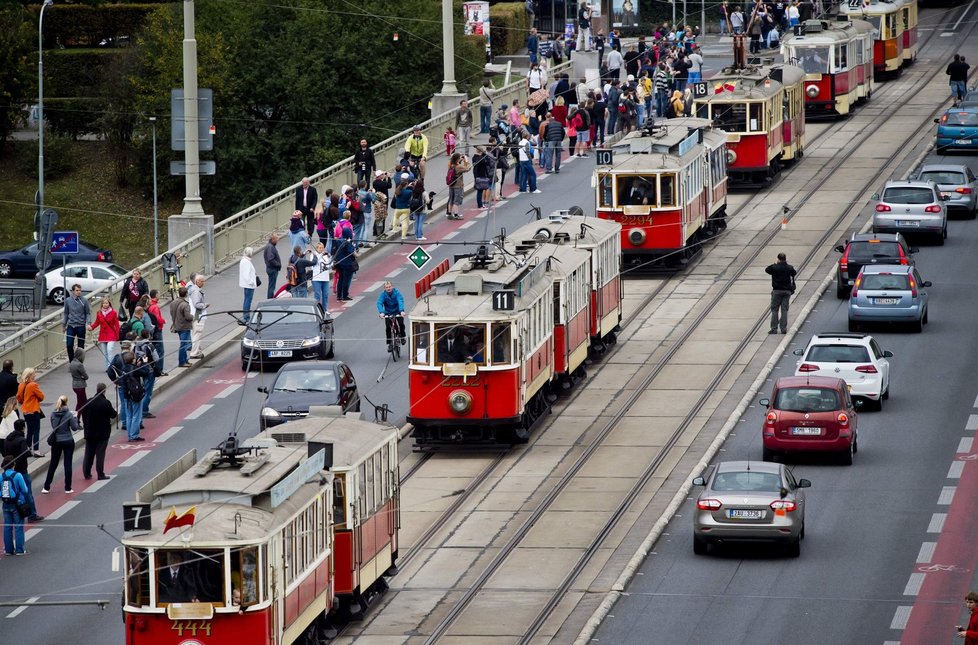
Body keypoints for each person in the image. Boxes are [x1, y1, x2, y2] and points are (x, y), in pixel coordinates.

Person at [2, 421, 42, 522]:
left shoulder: (7, 439)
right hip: (21, 470)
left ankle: (14, 513)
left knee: (12, 493)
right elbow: (25, 453)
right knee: (27, 493)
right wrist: (30, 452)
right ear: (23, 428)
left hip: (10, 470)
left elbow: (4, 452)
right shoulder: (21, 440)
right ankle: (32, 514)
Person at [41, 395, 79, 493]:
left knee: (53, 464)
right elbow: (74, 428)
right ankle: (68, 487)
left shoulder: (53, 414)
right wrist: (75, 418)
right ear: (66, 402)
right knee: (67, 464)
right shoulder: (69, 414)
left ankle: (46, 487)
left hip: (56, 441)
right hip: (67, 440)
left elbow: (54, 427)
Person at [81, 383, 115, 481]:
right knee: (100, 453)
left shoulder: (88, 402)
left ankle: (86, 473)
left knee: (89, 453)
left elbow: (84, 415)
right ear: (104, 390)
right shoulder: (105, 403)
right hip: (102, 433)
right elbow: (113, 415)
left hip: (90, 432)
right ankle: (100, 474)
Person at [2, 455, 30, 555]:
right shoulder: (17, 475)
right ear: (13, 464)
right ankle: (19, 549)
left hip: (5, 504)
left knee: (7, 527)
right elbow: (25, 490)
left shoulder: (1, 476)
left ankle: (8, 550)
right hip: (17, 504)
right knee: (18, 527)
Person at [766, 252, 796, 334]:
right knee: (784, 310)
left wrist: (775, 263)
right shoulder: (789, 267)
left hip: (777, 291)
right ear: (785, 259)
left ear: (778, 259)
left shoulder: (774, 267)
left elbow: (767, 270)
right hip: (787, 291)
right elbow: (794, 273)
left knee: (775, 310)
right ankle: (783, 328)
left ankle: (774, 328)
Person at [16, 368, 44, 457]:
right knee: (36, 430)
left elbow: (19, 398)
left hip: (25, 410)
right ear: (29, 376)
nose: (35, 376)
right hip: (34, 410)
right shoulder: (33, 385)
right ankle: (36, 450)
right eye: (33, 374)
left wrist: (24, 403)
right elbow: (41, 397)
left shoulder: (21, 385)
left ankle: (27, 449)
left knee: (30, 430)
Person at [62, 284, 90, 363]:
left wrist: (88, 323)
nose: (79, 292)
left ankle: (79, 363)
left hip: (81, 325)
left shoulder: (84, 300)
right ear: (73, 291)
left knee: (80, 347)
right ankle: (71, 362)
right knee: (69, 345)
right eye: (77, 290)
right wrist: (64, 325)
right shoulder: (68, 300)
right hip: (71, 325)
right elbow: (66, 313)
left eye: (80, 290)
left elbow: (87, 313)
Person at [169, 286, 194, 368]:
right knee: (183, 344)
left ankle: (185, 360)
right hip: (184, 326)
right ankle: (182, 362)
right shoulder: (185, 304)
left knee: (183, 343)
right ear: (186, 294)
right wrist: (193, 317)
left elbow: (172, 313)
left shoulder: (173, 302)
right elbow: (188, 317)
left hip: (177, 325)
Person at [377, 282, 407, 348]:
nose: (388, 288)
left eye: (389, 287)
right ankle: (390, 343)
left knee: (401, 324)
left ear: (392, 287)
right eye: (387, 287)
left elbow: (400, 301)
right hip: (388, 312)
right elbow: (379, 303)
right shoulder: (383, 294)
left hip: (398, 311)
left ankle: (402, 337)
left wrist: (401, 311)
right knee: (388, 328)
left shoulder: (397, 293)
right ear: (384, 288)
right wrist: (381, 312)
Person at [187, 274, 208, 360]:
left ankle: (197, 350)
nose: (204, 283)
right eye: (202, 281)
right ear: (198, 281)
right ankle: (194, 353)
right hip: (198, 315)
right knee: (197, 334)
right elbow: (197, 304)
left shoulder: (193, 290)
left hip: (195, 315)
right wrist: (205, 305)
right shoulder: (196, 292)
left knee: (195, 333)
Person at [334, 228, 357, 302]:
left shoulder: (338, 241)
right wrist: (354, 248)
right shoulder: (348, 243)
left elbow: (333, 250)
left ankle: (339, 296)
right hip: (347, 264)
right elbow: (352, 252)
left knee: (340, 279)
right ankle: (345, 295)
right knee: (346, 280)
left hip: (339, 263)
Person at [446, 153, 471, 220]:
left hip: (451, 185)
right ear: (458, 159)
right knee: (456, 201)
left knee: (451, 200)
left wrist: (461, 161)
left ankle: (449, 213)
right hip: (458, 186)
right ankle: (456, 214)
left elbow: (463, 168)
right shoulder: (458, 167)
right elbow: (467, 169)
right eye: (460, 157)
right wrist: (466, 161)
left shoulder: (451, 165)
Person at [238, 246, 258, 325]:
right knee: (248, 301)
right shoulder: (246, 262)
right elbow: (246, 275)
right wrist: (252, 282)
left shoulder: (244, 261)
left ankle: (246, 316)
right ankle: (246, 317)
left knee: (247, 300)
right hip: (249, 285)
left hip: (246, 284)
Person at [69, 348, 88, 423]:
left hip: (74, 384)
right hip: (80, 385)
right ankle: (76, 419)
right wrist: (83, 377)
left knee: (83, 402)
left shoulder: (72, 363)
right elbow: (86, 376)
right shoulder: (80, 365)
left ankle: (83, 417)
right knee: (81, 404)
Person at [263, 233, 282, 299]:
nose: (277, 240)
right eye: (276, 239)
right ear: (273, 239)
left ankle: (270, 298)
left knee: (271, 285)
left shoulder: (270, 246)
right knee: (272, 286)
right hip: (272, 269)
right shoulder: (270, 247)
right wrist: (278, 264)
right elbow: (270, 259)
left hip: (271, 268)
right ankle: (270, 299)